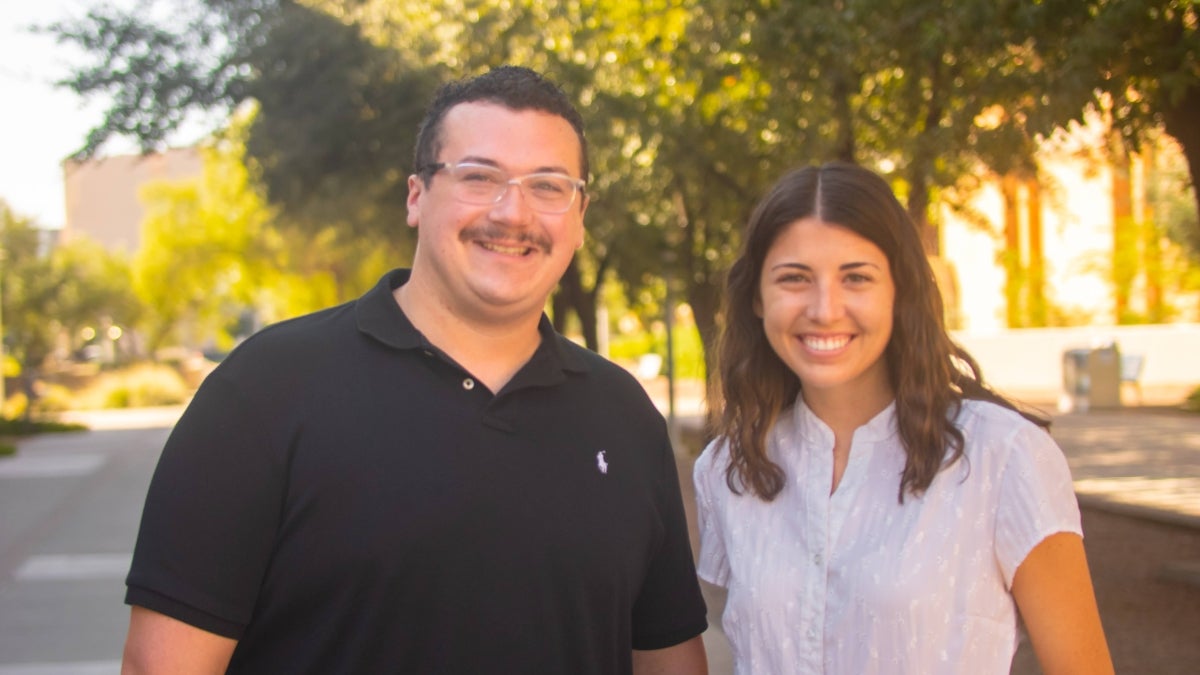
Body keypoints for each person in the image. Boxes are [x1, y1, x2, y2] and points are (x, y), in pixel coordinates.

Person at [121, 65, 708, 674]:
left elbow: (669, 660)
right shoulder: (265, 390)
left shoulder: (623, 415)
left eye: (549, 186)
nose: (513, 213)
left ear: (580, 215)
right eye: (479, 177)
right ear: (416, 196)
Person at [693, 161, 1113, 674]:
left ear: (899, 291)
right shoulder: (728, 469)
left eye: (857, 278)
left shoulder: (1004, 458)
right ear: (758, 299)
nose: (825, 309)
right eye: (795, 278)